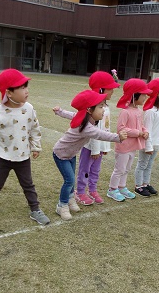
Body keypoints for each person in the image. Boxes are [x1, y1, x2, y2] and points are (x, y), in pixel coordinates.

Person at [0, 69, 50, 225]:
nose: (27, 91)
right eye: (22, 87)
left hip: (23, 156)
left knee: (28, 184)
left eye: (26, 86)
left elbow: (34, 128)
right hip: (2, 156)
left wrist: (36, 147)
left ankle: (35, 209)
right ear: (9, 93)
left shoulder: (29, 109)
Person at [52, 90, 127, 220]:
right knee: (69, 180)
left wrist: (60, 111)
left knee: (71, 179)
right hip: (60, 154)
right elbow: (100, 134)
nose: (103, 110)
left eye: (103, 106)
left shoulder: (83, 118)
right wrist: (117, 137)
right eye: (100, 107)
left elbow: (71, 114)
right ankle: (62, 205)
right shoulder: (86, 126)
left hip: (71, 154)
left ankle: (70, 200)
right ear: (89, 110)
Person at [74, 71, 120, 206]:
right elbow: (93, 131)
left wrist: (105, 147)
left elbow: (105, 129)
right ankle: (80, 191)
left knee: (96, 170)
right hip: (90, 146)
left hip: (100, 147)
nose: (112, 91)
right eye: (110, 88)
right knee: (85, 169)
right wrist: (95, 149)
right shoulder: (94, 108)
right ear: (100, 89)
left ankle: (92, 189)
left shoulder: (106, 107)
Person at [107, 79, 152, 202]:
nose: (145, 97)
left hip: (133, 146)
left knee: (127, 169)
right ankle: (112, 189)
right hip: (123, 146)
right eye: (143, 95)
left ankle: (122, 187)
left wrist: (145, 131)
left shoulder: (138, 111)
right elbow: (121, 129)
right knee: (119, 169)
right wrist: (138, 133)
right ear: (134, 95)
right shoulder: (125, 111)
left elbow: (141, 125)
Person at [134, 78, 159, 197]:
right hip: (149, 144)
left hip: (156, 143)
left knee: (149, 164)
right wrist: (148, 146)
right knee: (142, 164)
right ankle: (138, 186)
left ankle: (146, 183)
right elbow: (147, 130)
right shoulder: (150, 111)